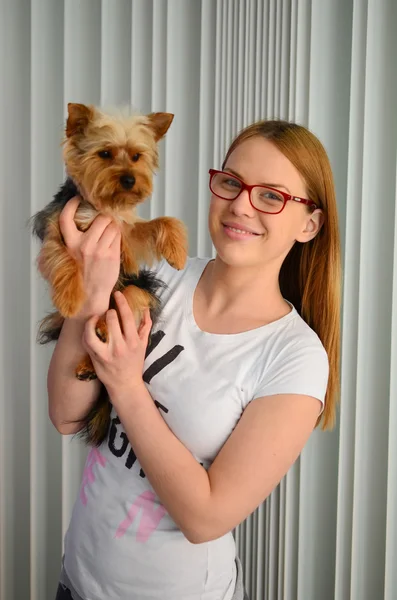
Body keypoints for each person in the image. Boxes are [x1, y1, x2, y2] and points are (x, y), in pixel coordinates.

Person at [50, 119, 341, 600]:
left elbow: (205, 518)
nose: (240, 205)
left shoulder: (296, 357)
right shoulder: (158, 272)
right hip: (76, 582)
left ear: (309, 223)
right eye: (231, 182)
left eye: (271, 195)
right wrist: (90, 297)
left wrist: (126, 385)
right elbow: (65, 414)